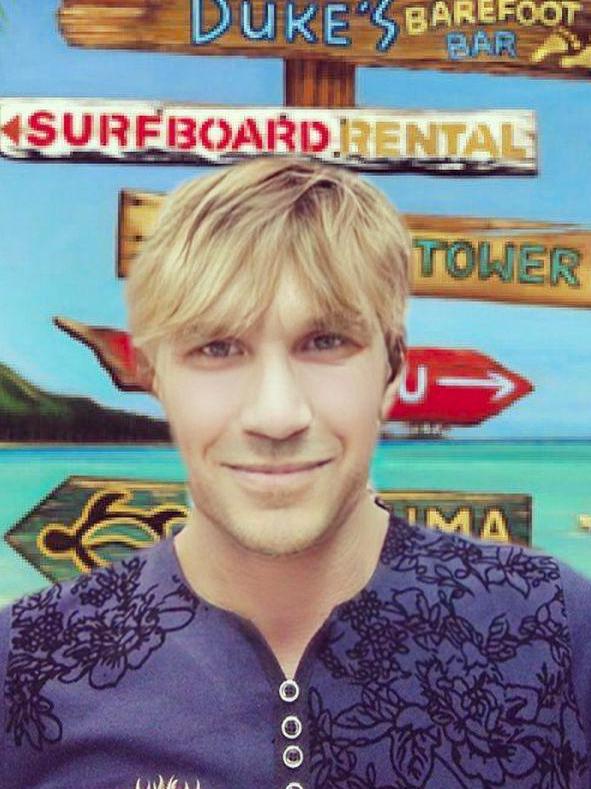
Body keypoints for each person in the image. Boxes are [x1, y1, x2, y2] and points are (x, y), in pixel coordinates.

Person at [1, 157, 589, 789]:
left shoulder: (554, 626)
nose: (276, 415)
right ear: (153, 377)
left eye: (325, 342)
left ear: (392, 371)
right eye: (216, 348)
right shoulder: (27, 661)